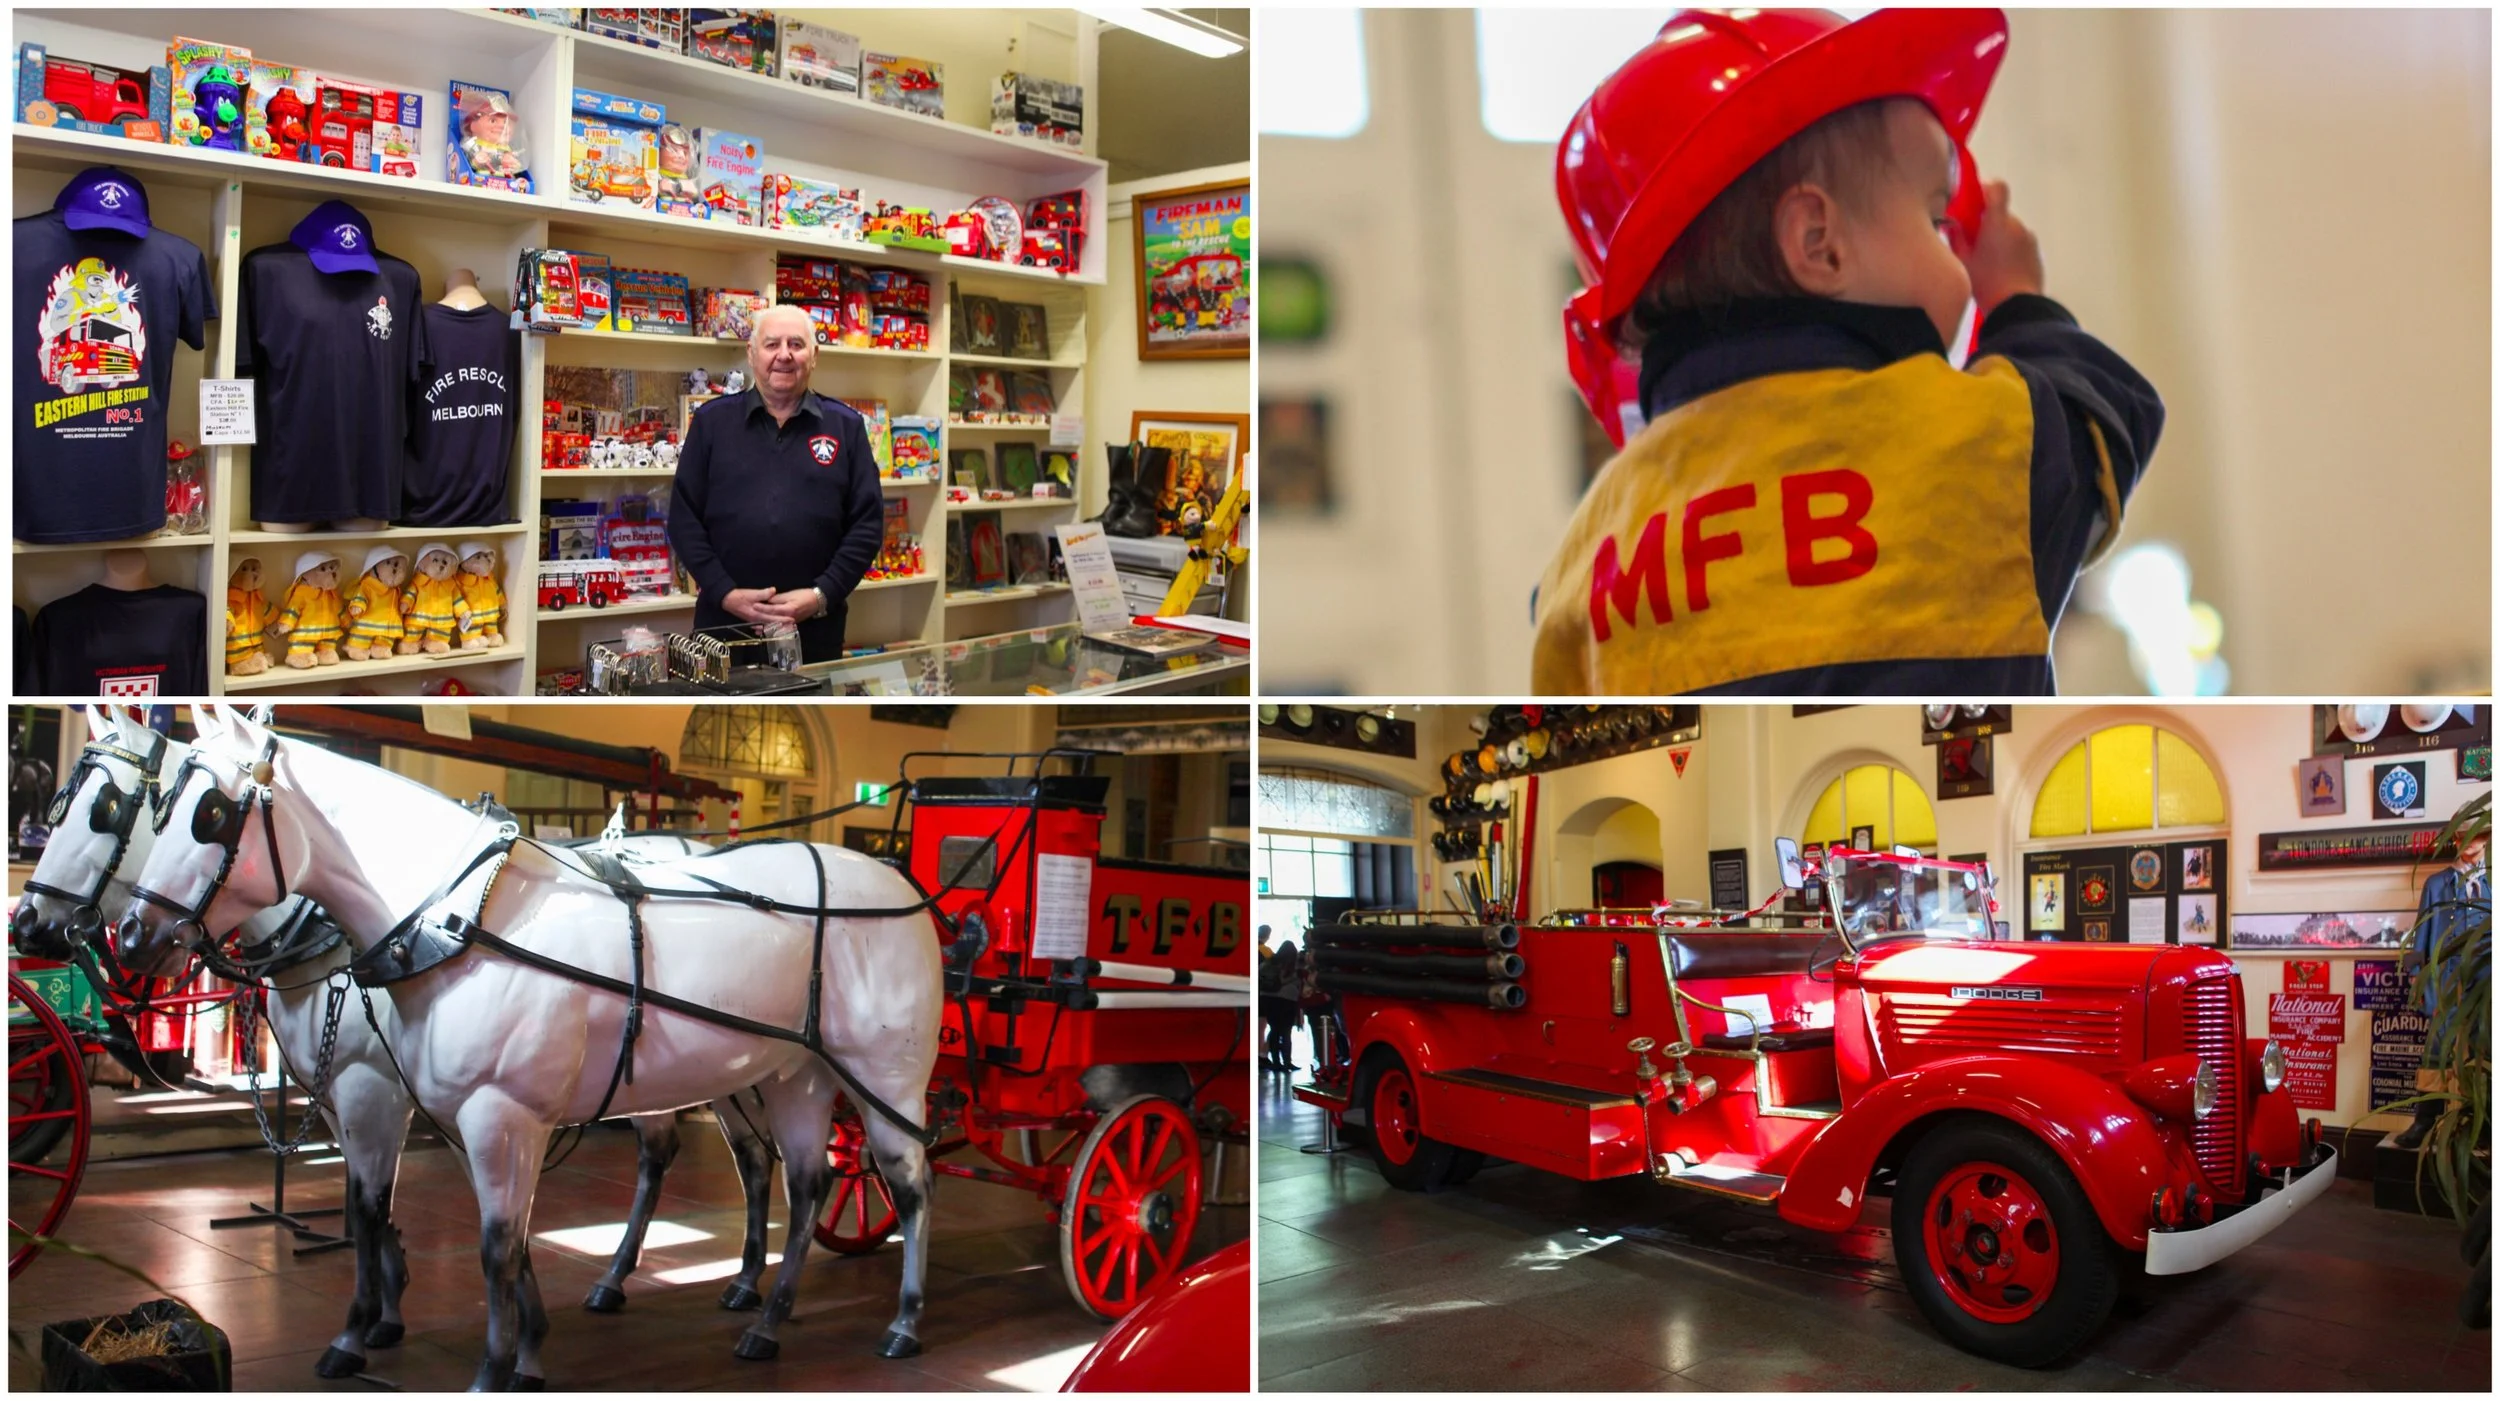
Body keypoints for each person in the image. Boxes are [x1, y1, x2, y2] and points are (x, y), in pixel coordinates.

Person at [1533, 9, 2163, 695]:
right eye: (1934, 217)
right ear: (1818, 243)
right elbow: (2104, 420)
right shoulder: (1965, 441)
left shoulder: (1582, 557)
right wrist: (2017, 300)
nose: (1951, 242)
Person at [667, 303, 885, 663]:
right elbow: (683, 519)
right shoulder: (711, 422)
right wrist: (725, 593)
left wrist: (819, 596)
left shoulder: (846, 427)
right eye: (772, 345)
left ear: (814, 356)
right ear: (751, 354)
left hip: (814, 631)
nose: (784, 355)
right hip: (724, 628)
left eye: (796, 345)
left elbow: (867, 526)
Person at [2395, 831, 2488, 1149]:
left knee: (2482, 1049)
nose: (2473, 841)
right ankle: (2425, 1119)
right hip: (2445, 980)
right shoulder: (2436, 883)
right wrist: (2416, 981)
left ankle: (2481, 1121)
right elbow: (2420, 933)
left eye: (2481, 834)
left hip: (2486, 981)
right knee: (2435, 1047)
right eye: (2465, 834)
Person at [1259, 936, 1299, 1071]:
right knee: (1286, 1033)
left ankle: (1276, 1062)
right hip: (1287, 1001)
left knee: (1275, 1031)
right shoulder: (1293, 966)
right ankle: (1287, 1062)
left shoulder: (1270, 962)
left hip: (1269, 1000)